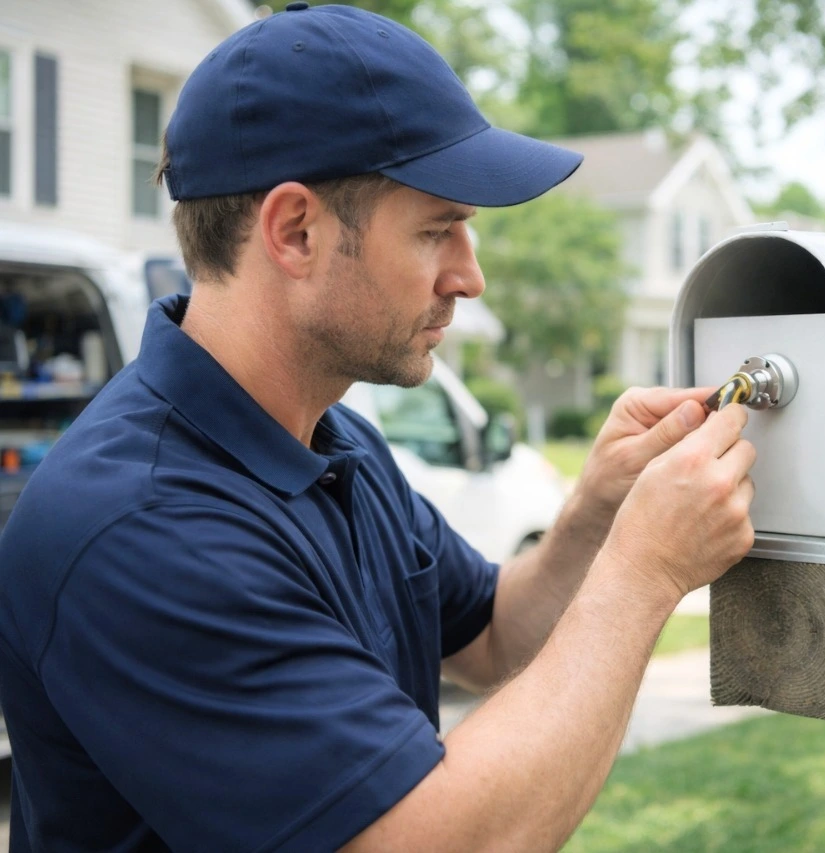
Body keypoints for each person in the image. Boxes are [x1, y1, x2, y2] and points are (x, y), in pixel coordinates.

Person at [0, 4, 756, 851]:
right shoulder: (141, 526)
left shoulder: (333, 441)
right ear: (296, 232)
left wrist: (598, 513)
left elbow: (494, 636)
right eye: (438, 230)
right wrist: (645, 569)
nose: (470, 278)